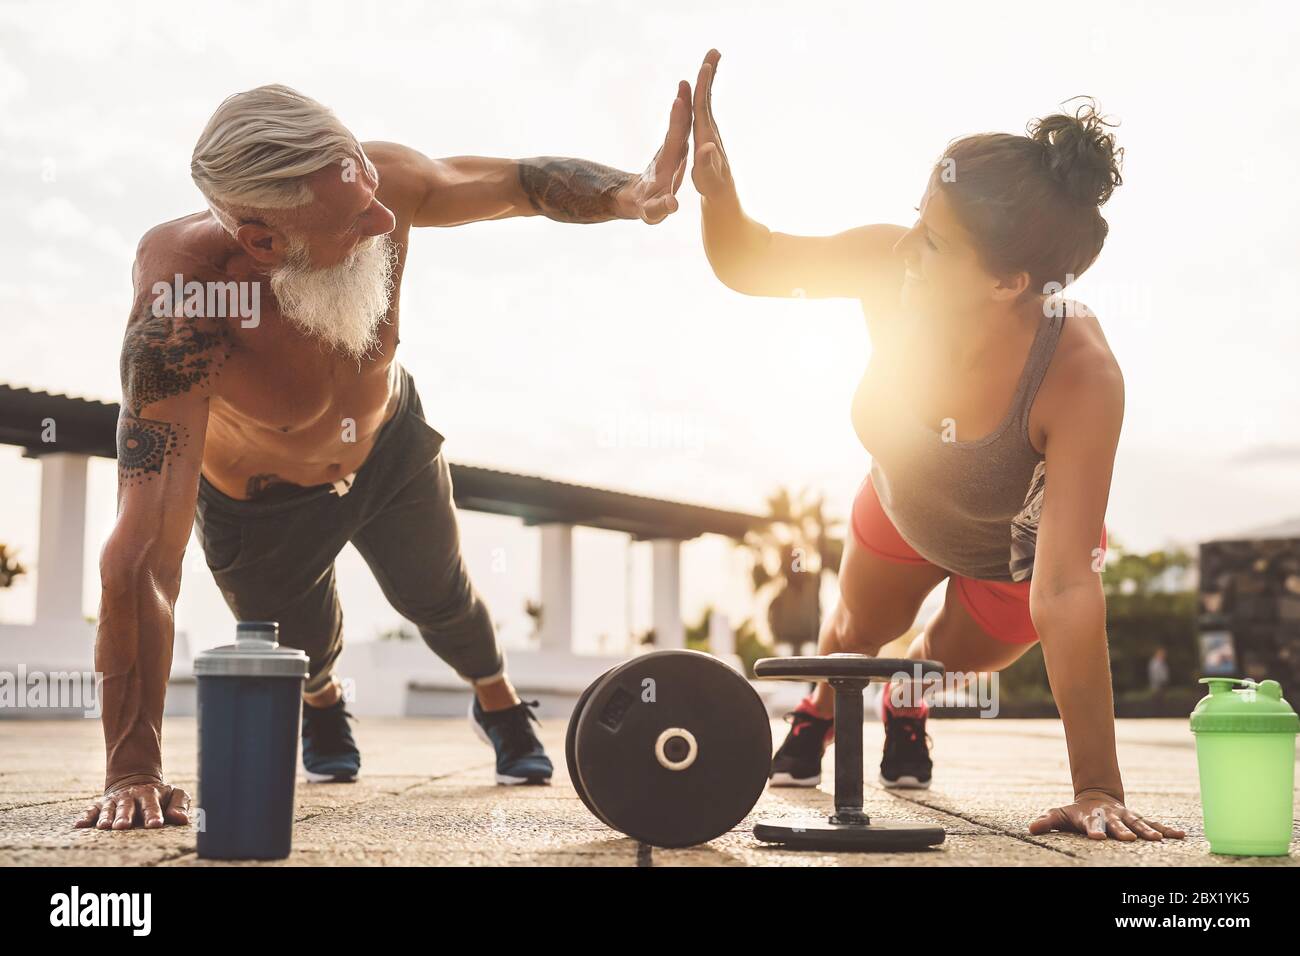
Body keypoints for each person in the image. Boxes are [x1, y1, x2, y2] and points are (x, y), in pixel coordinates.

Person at [76, 80, 692, 830]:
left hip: (387, 443)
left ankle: (498, 704)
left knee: (444, 598)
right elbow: (140, 554)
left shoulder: (379, 183)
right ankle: (324, 704)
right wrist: (132, 767)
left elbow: (519, 183)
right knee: (299, 647)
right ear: (263, 240)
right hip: (261, 502)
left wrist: (632, 193)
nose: (384, 216)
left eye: (365, 179)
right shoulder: (187, 304)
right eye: (352, 218)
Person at [691, 50, 1184, 842]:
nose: (906, 247)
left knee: (942, 658)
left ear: (1009, 282)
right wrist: (717, 191)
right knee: (851, 636)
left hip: (1015, 555)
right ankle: (818, 711)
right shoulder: (894, 265)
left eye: (935, 241)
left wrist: (1096, 786)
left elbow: (1061, 586)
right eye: (918, 217)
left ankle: (908, 702)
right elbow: (750, 260)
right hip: (904, 503)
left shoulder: (1079, 371)